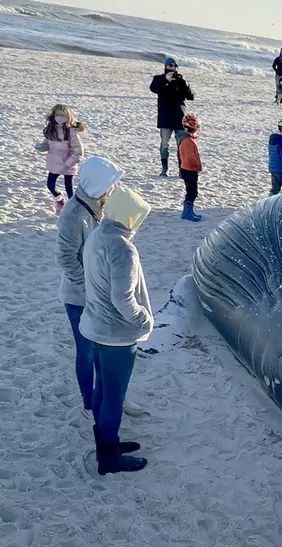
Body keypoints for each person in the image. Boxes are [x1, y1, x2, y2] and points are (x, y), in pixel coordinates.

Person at [80, 186, 154, 475]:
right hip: (116, 334)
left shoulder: (98, 234)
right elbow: (123, 299)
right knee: (114, 396)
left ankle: (105, 443)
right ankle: (109, 459)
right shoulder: (123, 248)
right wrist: (142, 321)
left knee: (102, 389)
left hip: (95, 326)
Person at [56, 156, 124, 422]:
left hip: (98, 295)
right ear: (98, 186)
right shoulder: (73, 214)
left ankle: (102, 398)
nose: (114, 189)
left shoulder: (99, 205)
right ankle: (88, 403)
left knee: (101, 350)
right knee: (86, 351)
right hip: (79, 297)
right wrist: (89, 289)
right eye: (110, 184)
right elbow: (65, 258)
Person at [36, 104, 85, 213]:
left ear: (68, 117)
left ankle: (72, 207)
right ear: (53, 116)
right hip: (54, 163)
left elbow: (78, 152)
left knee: (69, 187)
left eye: (63, 115)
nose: (60, 117)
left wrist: (68, 163)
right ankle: (60, 200)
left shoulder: (71, 132)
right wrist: (43, 147)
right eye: (58, 114)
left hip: (67, 164)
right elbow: (47, 143)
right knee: (50, 185)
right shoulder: (51, 130)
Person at [150, 57, 194, 176]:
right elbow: (154, 88)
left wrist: (184, 83)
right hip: (165, 116)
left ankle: (181, 170)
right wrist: (166, 79)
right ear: (165, 66)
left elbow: (191, 96)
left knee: (182, 145)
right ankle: (165, 169)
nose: (172, 68)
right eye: (169, 65)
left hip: (180, 117)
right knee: (165, 143)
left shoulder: (181, 81)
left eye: (174, 66)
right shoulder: (159, 79)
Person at [177, 114, 203, 222]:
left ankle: (189, 210)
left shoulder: (188, 139)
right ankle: (187, 212)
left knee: (192, 191)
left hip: (188, 168)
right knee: (192, 191)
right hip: (189, 169)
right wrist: (196, 165)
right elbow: (190, 157)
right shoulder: (188, 141)